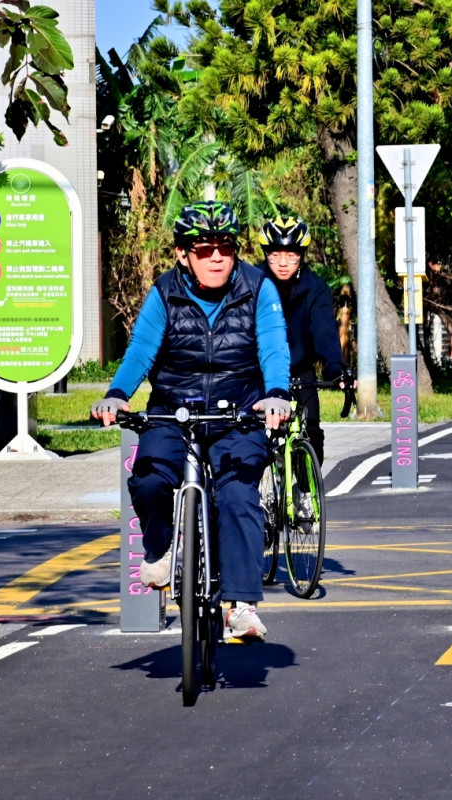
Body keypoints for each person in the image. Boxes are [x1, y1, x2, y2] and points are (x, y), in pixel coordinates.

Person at [91, 201, 292, 641]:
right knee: (147, 480)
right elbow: (141, 350)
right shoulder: (165, 292)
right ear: (183, 254)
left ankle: (241, 605)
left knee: (239, 496)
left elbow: (274, 348)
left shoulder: (258, 289)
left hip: (239, 413)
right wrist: (116, 395)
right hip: (173, 410)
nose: (217, 257)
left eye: (225, 248)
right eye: (205, 249)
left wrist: (276, 395)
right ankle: (163, 552)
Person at [257, 215, 348, 465]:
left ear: (302, 255)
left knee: (312, 432)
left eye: (292, 255)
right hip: (257, 370)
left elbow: (325, 332)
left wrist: (335, 369)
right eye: (275, 255)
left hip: (300, 370)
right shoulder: (252, 283)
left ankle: (308, 495)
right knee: (250, 436)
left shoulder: (315, 288)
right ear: (266, 253)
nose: (283, 263)